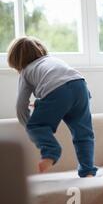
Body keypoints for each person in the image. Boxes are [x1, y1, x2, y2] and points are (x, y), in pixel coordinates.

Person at [7, 37, 98, 178]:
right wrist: (40, 104)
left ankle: (51, 151)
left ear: (16, 61)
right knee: (83, 134)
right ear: (40, 50)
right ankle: (88, 172)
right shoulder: (52, 60)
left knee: (36, 126)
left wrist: (30, 127)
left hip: (58, 92)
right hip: (81, 87)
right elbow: (66, 86)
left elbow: (21, 106)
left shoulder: (26, 71)